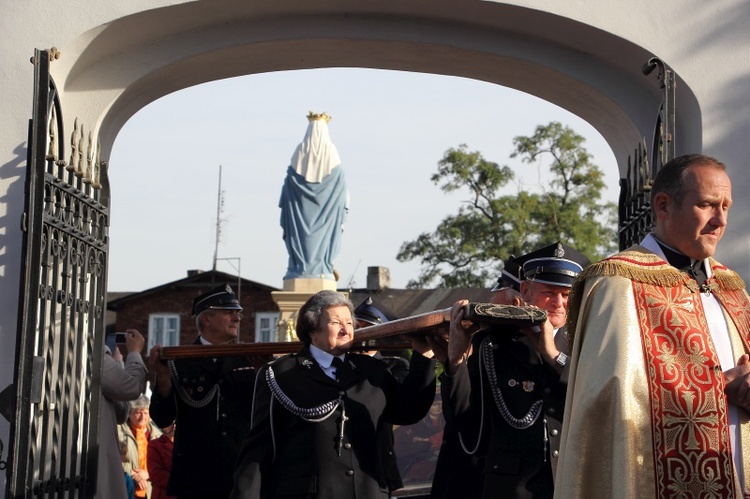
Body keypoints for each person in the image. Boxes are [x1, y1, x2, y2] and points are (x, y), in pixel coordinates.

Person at [556, 154, 750, 497]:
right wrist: (718, 390)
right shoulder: (617, 283)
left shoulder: (731, 287)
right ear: (663, 205)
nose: (720, 220)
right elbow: (608, 401)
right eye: (706, 205)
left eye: (726, 206)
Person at [230, 290, 438, 498]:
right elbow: (259, 447)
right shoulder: (281, 374)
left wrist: (424, 356)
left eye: (349, 323)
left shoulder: (371, 371)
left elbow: (409, 410)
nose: (345, 330)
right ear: (313, 329)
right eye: (336, 323)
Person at [438, 242, 589, 498]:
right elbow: (463, 421)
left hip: (571, 484)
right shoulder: (493, 345)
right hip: (512, 489)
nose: (559, 303)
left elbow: (594, 399)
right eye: (549, 293)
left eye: (566, 295)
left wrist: (552, 356)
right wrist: (455, 362)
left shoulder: (584, 344)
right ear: (526, 290)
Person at [149, 284, 257, 499]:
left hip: (241, 475)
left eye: (237, 313)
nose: (237, 318)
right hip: (196, 478)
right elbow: (163, 417)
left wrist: (264, 371)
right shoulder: (179, 361)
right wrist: (162, 377)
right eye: (229, 313)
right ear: (206, 319)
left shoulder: (250, 359)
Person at [431, 256, 524, 499]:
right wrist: (455, 361)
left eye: (497, 294)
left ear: (516, 301)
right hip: (472, 478)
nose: (490, 300)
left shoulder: (492, 345)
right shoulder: (485, 344)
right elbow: (462, 419)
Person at [279, 112, 349, 280]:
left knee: (299, 240)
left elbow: (288, 188)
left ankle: (300, 267)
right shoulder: (332, 153)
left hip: (299, 218)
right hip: (328, 219)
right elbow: (341, 190)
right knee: (327, 239)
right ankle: (323, 267)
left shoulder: (299, 153)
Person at [354, 296, 410, 492]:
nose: (360, 334)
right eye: (357, 327)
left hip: (378, 464)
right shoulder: (339, 364)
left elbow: (405, 407)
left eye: (367, 328)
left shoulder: (394, 366)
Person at [98, 330, 147, 499]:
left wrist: (117, 363)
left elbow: (121, 412)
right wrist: (134, 353)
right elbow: (132, 388)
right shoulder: (94, 351)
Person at [118, 395, 162, 498]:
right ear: (129, 414)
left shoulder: (157, 435)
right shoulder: (119, 431)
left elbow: (164, 465)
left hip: (150, 491)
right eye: (138, 413)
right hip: (126, 486)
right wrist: (133, 473)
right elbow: (112, 458)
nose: (143, 417)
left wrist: (148, 473)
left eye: (146, 413)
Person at [148, 422, 177, 499]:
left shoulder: (189, 445)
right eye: (171, 423)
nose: (175, 426)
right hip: (165, 494)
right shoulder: (155, 444)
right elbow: (155, 473)